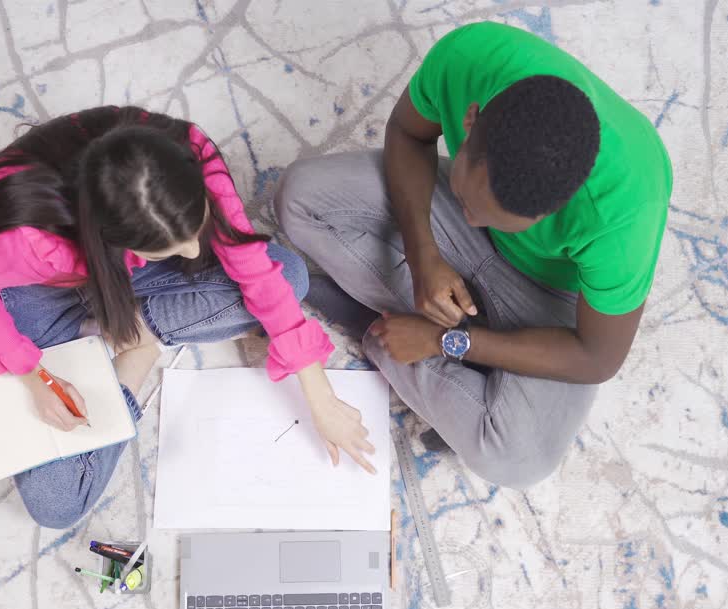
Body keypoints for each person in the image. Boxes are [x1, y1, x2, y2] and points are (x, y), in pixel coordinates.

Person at [276, 22, 672, 489]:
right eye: (468, 198)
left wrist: (447, 341)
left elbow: (598, 358)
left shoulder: (624, 214)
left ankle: (386, 329)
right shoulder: (469, 57)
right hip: (445, 234)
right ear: (470, 121)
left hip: (549, 298)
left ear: (557, 209)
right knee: (298, 200)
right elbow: (408, 133)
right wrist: (422, 253)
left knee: (518, 459)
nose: (474, 219)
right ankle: (437, 342)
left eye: (499, 218)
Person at [0, 106, 375, 528]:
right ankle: (136, 351)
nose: (194, 251)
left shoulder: (188, 152)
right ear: (110, 243)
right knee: (57, 504)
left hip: (119, 272)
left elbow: (252, 267)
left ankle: (129, 328)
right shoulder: (21, 242)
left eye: (196, 227)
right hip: (38, 292)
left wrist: (320, 394)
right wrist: (32, 374)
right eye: (167, 250)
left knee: (289, 276)